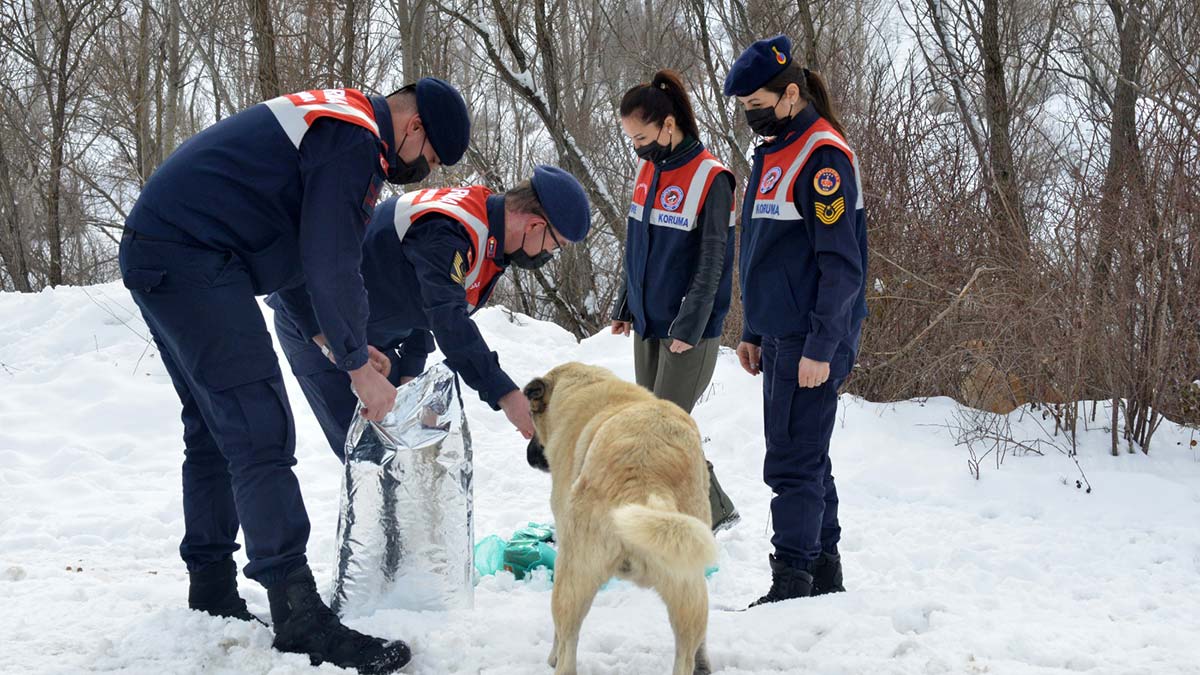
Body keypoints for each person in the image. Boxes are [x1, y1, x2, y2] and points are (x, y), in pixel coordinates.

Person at [118, 78, 470, 672]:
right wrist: (358, 367)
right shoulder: (355, 141)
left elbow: (298, 256)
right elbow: (332, 261)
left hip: (165, 246)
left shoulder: (336, 120)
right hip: (194, 255)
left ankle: (210, 588)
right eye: (429, 158)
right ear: (414, 130)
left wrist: (338, 341)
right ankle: (298, 613)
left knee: (213, 426)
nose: (420, 170)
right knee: (259, 425)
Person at [268, 165, 592, 456]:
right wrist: (507, 396)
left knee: (407, 448)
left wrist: (410, 372)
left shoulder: (488, 233)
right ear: (536, 225)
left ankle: (405, 522)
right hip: (316, 323)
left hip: (375, 334)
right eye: (555, 246)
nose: (549, 254)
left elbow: (422, 301)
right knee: (369, 455)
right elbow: (447, 317)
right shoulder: (450, 231)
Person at [723, 36, 869, 606]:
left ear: (789, 94)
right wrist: (754, 330)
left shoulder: (822, 157)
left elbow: (841, 266)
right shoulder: (773, 150)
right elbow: (765, 251)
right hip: (779, 333)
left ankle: (793, 582)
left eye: (754, 101)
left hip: (812, 338)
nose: (748, 114)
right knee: (808, 453)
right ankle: (824, 569)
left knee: (791, 461)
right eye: (741, 106)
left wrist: (821, 346)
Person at [610, 69, 741, 533]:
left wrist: (688, 328)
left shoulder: (712, 179)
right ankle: (706, 510)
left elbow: (713, 264)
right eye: (631, 140)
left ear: (668, 125)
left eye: (641, 137)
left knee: (661, 429)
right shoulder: (649, 169)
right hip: (647, 321)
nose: (637, 148)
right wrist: (625, 303)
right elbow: (637, 247)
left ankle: (710, 512)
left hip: (688, 329)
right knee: (657, 424)